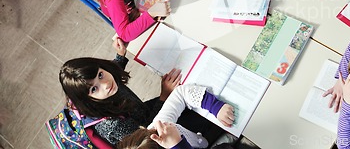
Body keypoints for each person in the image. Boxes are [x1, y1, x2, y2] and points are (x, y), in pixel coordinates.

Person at [59, 37, 233, 147]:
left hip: (145, 116)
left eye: (100, 74)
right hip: (147, 123)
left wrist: (120, 56)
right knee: (207, 120)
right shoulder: (112, 126)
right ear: (88, 99)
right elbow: (149, 133)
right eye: (94, 88)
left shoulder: (106, 83)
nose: (105, 84)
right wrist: (164, 96)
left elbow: (111, 71)